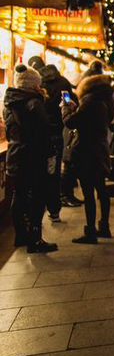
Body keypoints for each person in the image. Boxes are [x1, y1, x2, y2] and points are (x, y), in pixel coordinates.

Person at [4, 64, 57, 253]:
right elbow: (43, 132)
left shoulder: (10, 103)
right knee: (37, 197)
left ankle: (20, 235)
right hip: (33, 157)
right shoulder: (34, 103)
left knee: (18, 195)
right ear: (34, 84)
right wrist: (50, 154)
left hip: (15, 155)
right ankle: (35, 239)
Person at [61, 72, 114, 244]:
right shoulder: (108, 101)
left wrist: (66, 107)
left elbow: (70, 122)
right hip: (100, 150)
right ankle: (104, 226)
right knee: (101, 190)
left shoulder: (90, 102)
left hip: (87, 152)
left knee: (88, 193)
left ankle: (90, 231)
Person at [27, 56, 82, 213]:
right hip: (58, 130)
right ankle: (54, 207)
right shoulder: (63, 82)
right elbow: (68, 102)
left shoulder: (37, 83)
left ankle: (38, 207)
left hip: (39, 132)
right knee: (55, 169)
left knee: (38, 170)